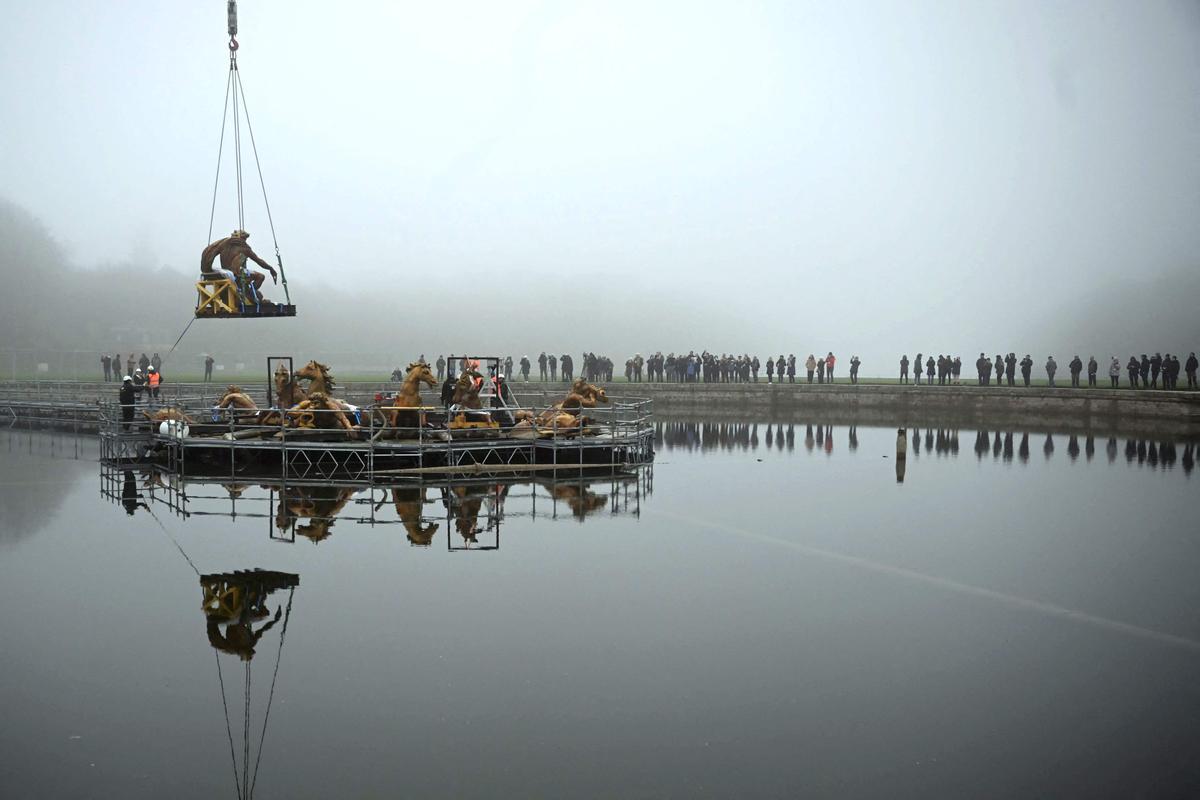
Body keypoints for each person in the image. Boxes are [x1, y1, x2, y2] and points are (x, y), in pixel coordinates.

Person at [200, 229, 279, 302]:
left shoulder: (223, 244)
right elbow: (259, 261)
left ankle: (247, 293)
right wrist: (270, 268)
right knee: (260, 277)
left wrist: (207, 269)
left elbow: (210, 252)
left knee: (246, 276)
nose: (245, 240)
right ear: (242, 238)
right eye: (245, 238)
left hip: (226, 272)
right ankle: (250, 294)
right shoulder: (244, 248)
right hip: (236, 274)